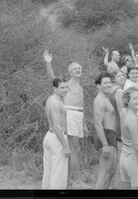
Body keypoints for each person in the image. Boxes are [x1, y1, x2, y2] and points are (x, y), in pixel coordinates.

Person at [43, 51, 90, 189]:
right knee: (73, 149)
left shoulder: (80, 86)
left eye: (79, 68)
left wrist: (84, 124)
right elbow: (52, 78)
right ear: (69, 72)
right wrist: (48, 63)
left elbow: (81, 106)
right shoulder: (66, 84)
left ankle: (70, 179)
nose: (78, 70)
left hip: (78, 117)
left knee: (76, 148)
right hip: (69, 115)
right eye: (75, 69)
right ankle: (77, 181)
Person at [42, 78, 71, 189]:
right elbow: (57, 125)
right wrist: (65, 146)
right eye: (62, 88)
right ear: (55, 89)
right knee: (58, 174)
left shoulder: (51, 99)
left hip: (50, 136)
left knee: (49, 171)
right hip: (57, 138)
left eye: (66, 87)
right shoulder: (56, 102)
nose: (65, 90)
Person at [93, 74, 118, 189]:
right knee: (104, 173)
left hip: (110, 135)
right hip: (106, 136)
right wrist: (105, 145)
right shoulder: (100, 101)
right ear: (98, 86)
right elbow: (97, 123)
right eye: (105, 83)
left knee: (111, 171)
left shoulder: (105, 99)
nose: (109, 85)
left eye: (109, 82)